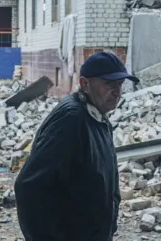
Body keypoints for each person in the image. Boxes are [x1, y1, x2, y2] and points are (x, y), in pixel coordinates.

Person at [14, 51, 139, 241]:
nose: (117, 91)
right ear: (84, 84)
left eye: (120, 84)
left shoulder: (99, 117)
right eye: (108, 84)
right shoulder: (71, 120)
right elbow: (29, 187)